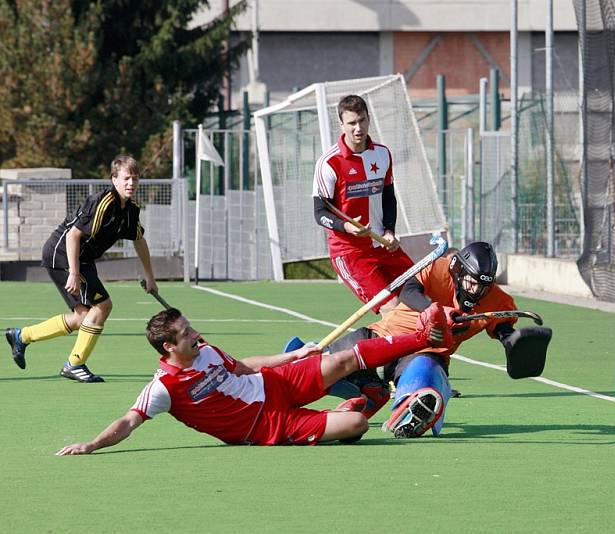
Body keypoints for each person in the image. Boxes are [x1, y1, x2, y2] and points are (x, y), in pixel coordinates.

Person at [55, 303, 451, 454]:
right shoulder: (163, 388)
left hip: (275, 383)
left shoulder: (205, 349)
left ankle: (423, 336)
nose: (195, 334)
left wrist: (293, 355)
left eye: (190, 327)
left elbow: (243, 366)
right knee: (357, 425)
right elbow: (128, 421)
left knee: (343, 359)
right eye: (186, 334)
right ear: (168, 350)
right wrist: (91, 444)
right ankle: (351, 407)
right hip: (266, 426)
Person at [326, 241, 519, 439]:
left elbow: (503, 327)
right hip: (384, 335)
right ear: (459, 270)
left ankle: (414, 403)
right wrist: (434, 311)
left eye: (484, 286)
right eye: (472, 281)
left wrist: (513, 341)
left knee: (424, 376)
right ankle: (370, 390)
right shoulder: (438, 268)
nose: (476, 290)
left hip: (426, 353)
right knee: (325, 367)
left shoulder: (497, 300)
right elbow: (408, 291)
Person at [5, 155, 157, 383]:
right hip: (63, 253)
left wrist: (150, 276)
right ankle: (74, 364)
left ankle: (22, 336)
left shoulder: (130, 210)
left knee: (84, 318)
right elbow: (73, 235)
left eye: (135, 179)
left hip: (81, 258)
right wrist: (74, 273)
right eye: (126, 178)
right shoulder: (103, 203)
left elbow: (138, 239)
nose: (131, 184)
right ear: (114, 179)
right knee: (103, 306)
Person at [312, 94, 414, 316]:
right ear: (342, 125)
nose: (358, 128)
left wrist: (389, 230)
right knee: (392, 309)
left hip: (383, 245)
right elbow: (320, 213)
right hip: (350, 252)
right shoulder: (329, 163)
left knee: (420, 296)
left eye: (362, 120)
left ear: (368, 119)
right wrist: (348, 227)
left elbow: (388, 197)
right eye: (351, 123)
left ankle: (422, 351)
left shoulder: (382, 153)